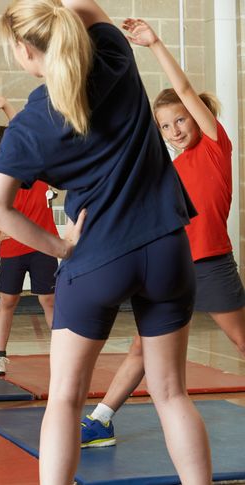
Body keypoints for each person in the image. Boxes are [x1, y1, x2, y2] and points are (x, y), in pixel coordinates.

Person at [0, 0, 211, 483]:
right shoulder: (114, 56)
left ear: (25, 51)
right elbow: (84, 7)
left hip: (97, 258)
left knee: (66, 398)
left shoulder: (30, 123)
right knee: (171, 394)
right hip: (167, 247)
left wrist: (59, 247)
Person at [80, 17, 245, 449]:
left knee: (241, 339)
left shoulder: (214, 145)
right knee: (142, 348)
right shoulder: (172, 167)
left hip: (210, 264)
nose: (174, 132)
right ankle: (101, 419)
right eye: (166, 126)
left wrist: (154, 44)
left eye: (179, 122)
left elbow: (185, 91)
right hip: (172, 266)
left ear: (195, 118)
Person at [0, 92, 58, 376]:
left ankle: (62, 354)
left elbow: (23, 131)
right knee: (8, 300)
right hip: (13, 250)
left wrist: (7, 105)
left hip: (43, 245)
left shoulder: (37, 169)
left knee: (49, 300)